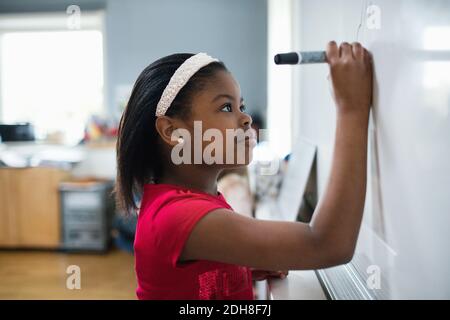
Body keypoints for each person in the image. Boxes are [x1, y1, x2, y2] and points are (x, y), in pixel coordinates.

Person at [115, 42, 373, 300]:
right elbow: (327, 244)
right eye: (226, 107)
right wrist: (351, 108)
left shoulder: (193, 202)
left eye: (242, 106)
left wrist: (234, 269)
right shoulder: (178, 215)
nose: (246, 118)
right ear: (173, 132)